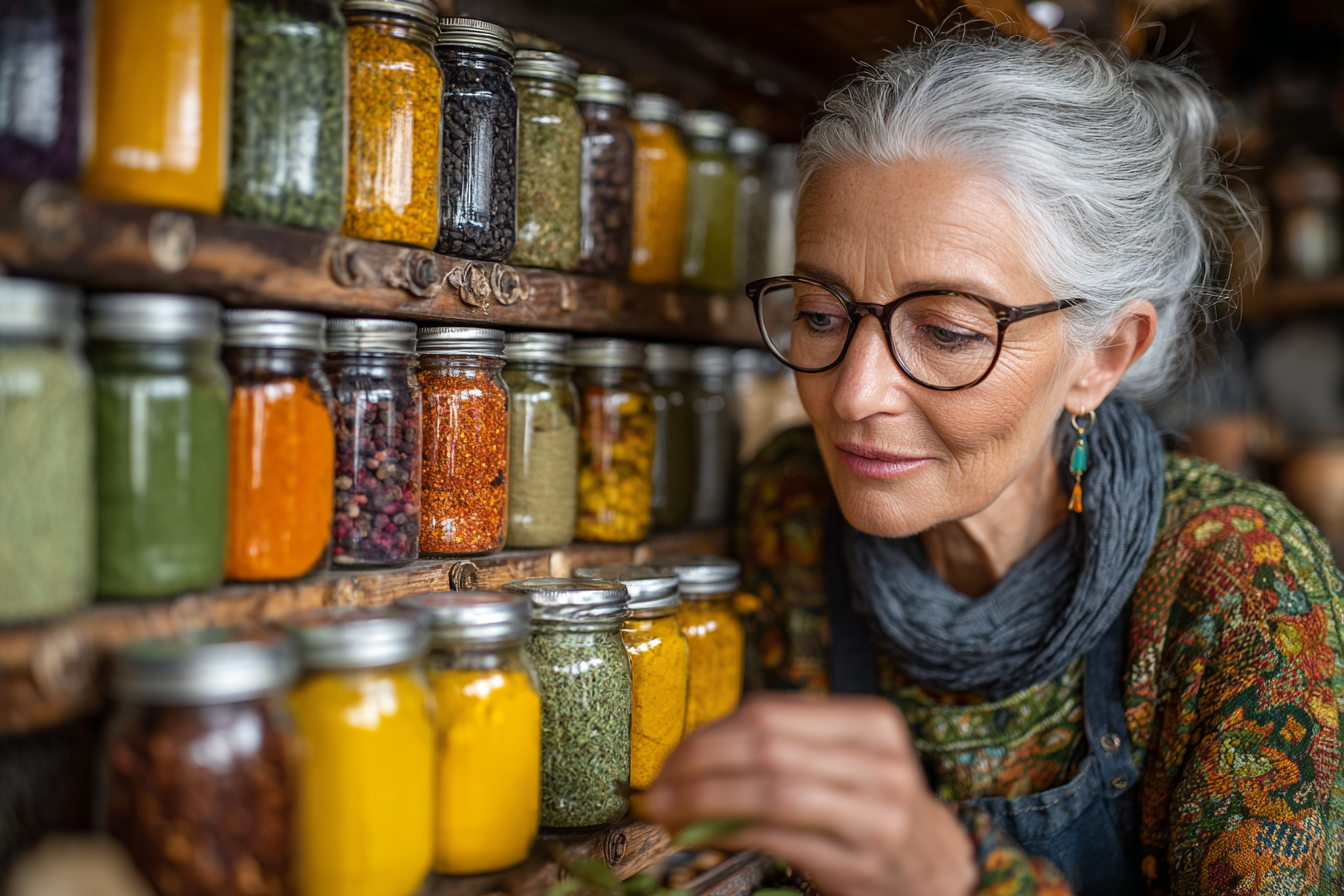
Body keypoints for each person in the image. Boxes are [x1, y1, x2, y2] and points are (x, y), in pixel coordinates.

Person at [632, 32, 1344, 896]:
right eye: (821, 314)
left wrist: (950, 879)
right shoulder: (790, 506)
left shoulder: (1238, 579)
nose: (855, 394)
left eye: (947, 333)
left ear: (1103, 357)